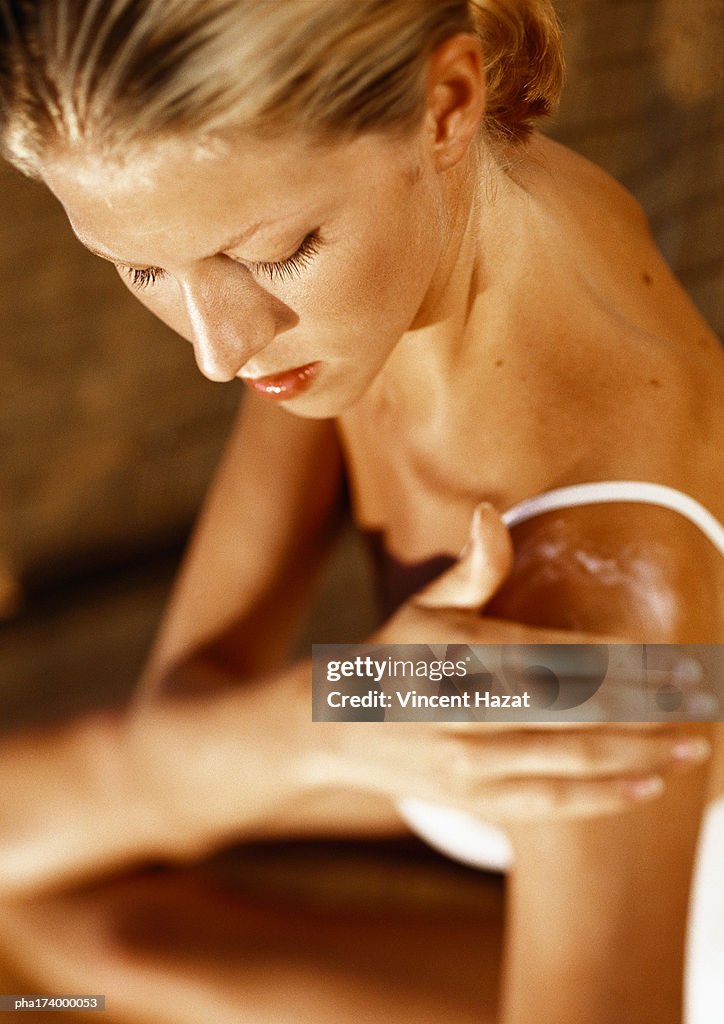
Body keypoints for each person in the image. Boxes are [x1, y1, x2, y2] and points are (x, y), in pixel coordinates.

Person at [0, 2, 721, 1022]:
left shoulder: (591, 604)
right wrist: (347, 710)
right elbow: (168, 733)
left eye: (277, 251)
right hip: (634, 812)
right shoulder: (405, 258)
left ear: (447, 104)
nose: (217, 347)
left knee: (80, 954)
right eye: (146, 268)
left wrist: (358, 708)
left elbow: (156, 765)